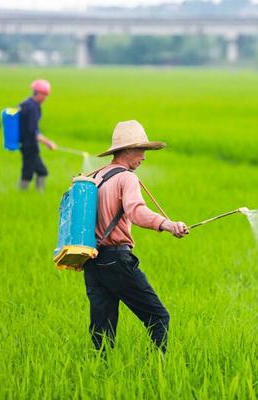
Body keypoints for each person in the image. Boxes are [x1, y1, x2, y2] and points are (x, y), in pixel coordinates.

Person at [83, 120, 189, 353]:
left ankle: (99, 372)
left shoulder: (96, 176)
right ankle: (159, 371)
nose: (144, 156)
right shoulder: (126, 178)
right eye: (141, 150)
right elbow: (136, 212)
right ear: (128, 149)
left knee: (102, 328)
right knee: (159, 317)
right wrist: (167, 225)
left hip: (91, 261)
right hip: (116, 260)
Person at [18, 79, 57, 191]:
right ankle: (27, 193)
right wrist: (48, 143)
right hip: (29, 146)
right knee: (39, 172)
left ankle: (25, 193)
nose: (45, 98)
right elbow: (33, 131)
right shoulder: (33, 108)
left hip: (24, 144)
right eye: (44, 94)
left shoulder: (26, 103)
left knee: (31, 171)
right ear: (37, 93)